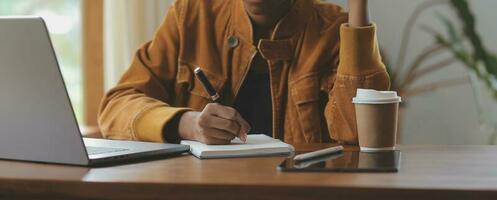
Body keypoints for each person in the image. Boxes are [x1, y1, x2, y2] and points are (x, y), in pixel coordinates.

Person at [98, 0, 390, 145]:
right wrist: (187, 124)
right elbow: (116, 107)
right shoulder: (193, 15)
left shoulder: (335, 30)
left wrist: (358, 16)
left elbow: (364, 138)